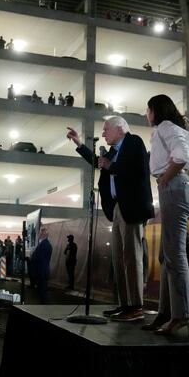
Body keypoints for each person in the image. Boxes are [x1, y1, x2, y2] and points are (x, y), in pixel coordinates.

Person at [67, 115, 154, 322]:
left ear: (120, 129)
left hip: (131, 207)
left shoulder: (134, 142)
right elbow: (100, 163)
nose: (103, 133)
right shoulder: (114, 151)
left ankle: (136, 306)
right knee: (118, 258)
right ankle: (124, 305)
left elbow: (137, 170)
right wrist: (79, 144)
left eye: (106, 129)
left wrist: (109, 166)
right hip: (116, 208)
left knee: (131, 256)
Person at [141, 94, 189, 335]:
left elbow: (182, 157)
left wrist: (164, 178)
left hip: (173, 186)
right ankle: (166, 311)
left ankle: (181, 314)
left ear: (156, 111)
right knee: (166, 255)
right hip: (178, 187)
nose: (146, 114)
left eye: (148, 109)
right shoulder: (177, 128)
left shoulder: (165, 127)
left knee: (175, 254)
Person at [29, 227, 53, 304]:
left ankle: (45, 310)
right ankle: (44, 308)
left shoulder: (44, 244)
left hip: (41, 272)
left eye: (40, 233)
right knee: (42, 293)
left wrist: (32, 257)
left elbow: (40, 258)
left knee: (43, 293)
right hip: (42, 271)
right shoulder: (44, 244)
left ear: (43, 234)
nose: (38, 235)